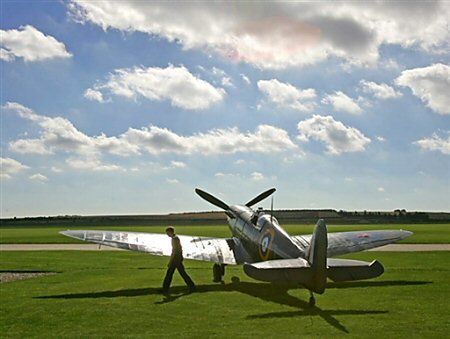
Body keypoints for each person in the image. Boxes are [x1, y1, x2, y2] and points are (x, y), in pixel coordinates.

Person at [162, 226, 196, 294]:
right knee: (180, 273)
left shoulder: (174, 239)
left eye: (167, 233)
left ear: (170, 232)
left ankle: (165, 289)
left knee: (171, 274)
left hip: (175, 259)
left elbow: (174, 251)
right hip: (178, 258)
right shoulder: (176, 238)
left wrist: (170, 261)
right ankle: (191, 286)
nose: (167, 234)